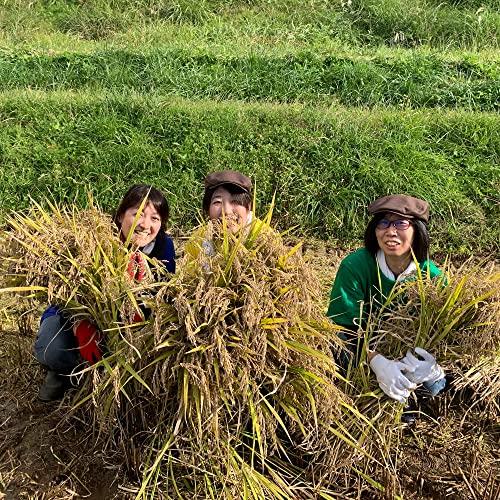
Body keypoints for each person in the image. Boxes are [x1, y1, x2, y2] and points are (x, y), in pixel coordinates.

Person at [34, 185, 176, 401]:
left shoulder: (164, 246)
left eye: (154, 218)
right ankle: (64, 373)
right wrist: (79, 323)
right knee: (52, 349)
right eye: (137, 213)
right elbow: (65, 292)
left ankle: (104, 377)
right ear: (120, 216)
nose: (145, 225)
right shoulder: (96, 240)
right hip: (76, 316)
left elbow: (164, 291)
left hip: (126, 323)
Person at [327, 194, 446, 405]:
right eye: (383, 223)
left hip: (409, 354)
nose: (391, 231)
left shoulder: (432, 277)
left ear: (417, 231)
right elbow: (342, 328)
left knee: (435, 387)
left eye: (401, 223)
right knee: (339, 354)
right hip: (365, 349)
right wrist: (376, 361)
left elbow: (444, 331)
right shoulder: (356, 266)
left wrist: (432, 365)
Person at [184, 170, 255, 262]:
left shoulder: (265, 238)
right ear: (208, 209)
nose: (227, 211)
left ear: (248, 207)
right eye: (217, 202)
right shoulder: (198, 241)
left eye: (236, 202)